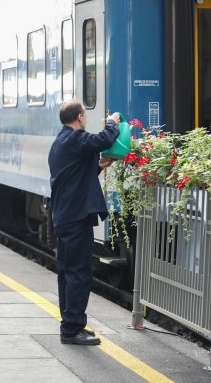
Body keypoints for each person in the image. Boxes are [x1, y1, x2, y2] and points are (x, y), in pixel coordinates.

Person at [48, 100, 120, 346]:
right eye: (85, 115)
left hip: (66, 215)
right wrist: (113, 123)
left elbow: (73, 176)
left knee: (68, 272)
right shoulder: (74, 139)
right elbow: (104, 139)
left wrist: (98, 167)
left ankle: (71, 324)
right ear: (79, 117)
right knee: (79, 273)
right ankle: (71, 329)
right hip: (75, 218)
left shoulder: (60, 142)